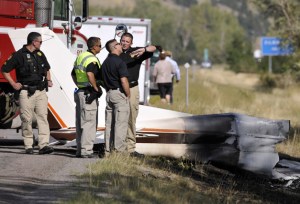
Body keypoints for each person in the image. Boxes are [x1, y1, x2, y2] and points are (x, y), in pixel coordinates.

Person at [1, 32, 54, 154]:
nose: (41, 44)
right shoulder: (18, 55)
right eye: (40, 42)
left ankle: (43, 145)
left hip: (40, 91)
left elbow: (47, 69)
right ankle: (29, 145)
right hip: (26, 92)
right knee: (26, 119)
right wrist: (13, 84)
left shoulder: (40, 54)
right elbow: (4, 70)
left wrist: (49, 80)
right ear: (34, 42)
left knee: (43, 118)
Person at [119, 32, 157, 156]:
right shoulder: (116, 53)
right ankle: (118, 147)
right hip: (118, 89)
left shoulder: (136, 52)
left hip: (132, 88)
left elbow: (155, 48)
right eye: (122, 40)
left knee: (131, 118)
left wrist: (144, 49)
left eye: (127, 41)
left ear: (131, 43)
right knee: (119, 118)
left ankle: (130, 149)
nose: (124, 43)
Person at [71, 37, 102, 158]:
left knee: (80, 123)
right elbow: (90, 74)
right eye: (99, 45)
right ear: (94, 47)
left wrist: (79, 85)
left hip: (80, 92)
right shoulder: (92, 59)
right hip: (88, 94)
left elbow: (73, 74)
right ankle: (86, 151)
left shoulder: (81, 57)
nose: (100, 47)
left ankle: (80, 150)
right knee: (89, 123)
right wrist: (95, 88)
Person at [101, 39, 130, 155]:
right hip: (118, 94)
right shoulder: (120, 62)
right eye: (119, 43)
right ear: (115, 47)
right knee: (120, 124)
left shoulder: (105, 62)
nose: (121, 45)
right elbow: (124, 81)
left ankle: (108, 150)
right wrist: (128, 94)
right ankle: (119, 152)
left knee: (109, 124)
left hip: (109, 94)